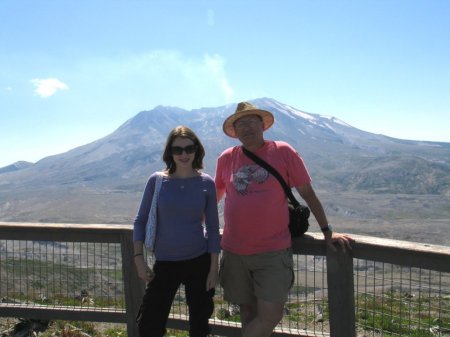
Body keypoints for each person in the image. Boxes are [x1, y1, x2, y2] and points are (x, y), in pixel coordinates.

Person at [215, 101, 354, 337]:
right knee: (248, 312)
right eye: (241, 124)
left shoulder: (282, 152)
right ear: (234, 131)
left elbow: (307, 192)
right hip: (234, 251)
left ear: (262, 125)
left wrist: (327, 230)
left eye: (251, 122)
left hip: (272, 251)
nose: (247, 128)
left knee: (271, 314)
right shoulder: (227, 158)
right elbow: (215, 195)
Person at [133, 125, 221, 337]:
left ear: (196, 150)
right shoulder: (157, 181)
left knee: (200, 326)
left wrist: (213, 268)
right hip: (164, 264)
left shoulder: (206, 183)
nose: (183, 154)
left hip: (198, 262)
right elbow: (140, 220)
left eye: (189, 148)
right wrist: (138, 259)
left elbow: (212, 227)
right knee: (149, 325)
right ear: (169, 153)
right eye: (177, 150)